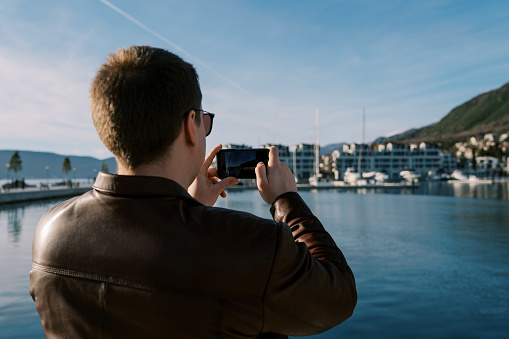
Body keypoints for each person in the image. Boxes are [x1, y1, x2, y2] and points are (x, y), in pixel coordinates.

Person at [30, 45, 356, 338]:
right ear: (191, 125)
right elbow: (337, 296)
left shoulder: (51, 232)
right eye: (205, 121)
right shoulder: (250, 243)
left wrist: (189, 206)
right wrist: (287, 201)